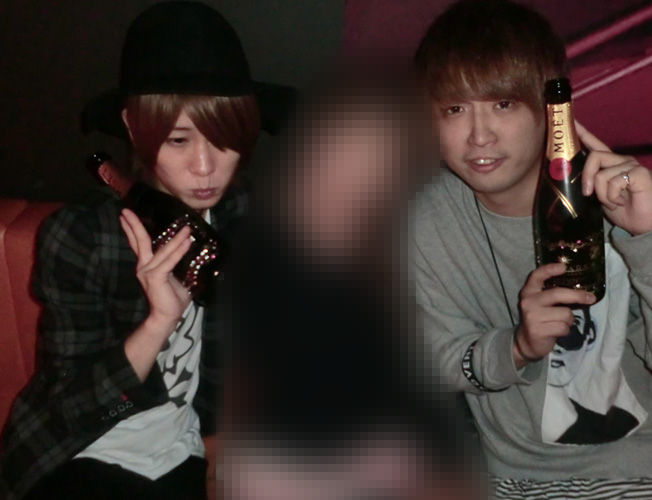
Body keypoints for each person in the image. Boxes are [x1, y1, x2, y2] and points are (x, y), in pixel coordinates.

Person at [0, 2, 292, 499]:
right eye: (179, 140)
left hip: (181, 449)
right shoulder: (83, 237)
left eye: (223, 140)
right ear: (135, 129)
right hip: (84, 449)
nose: (205, 167)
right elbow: (71, 410)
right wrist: (159, 321)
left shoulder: (244, 218)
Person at [411, 0, 652, 498]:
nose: (479, 135)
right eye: (455, 109)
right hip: (512, 477)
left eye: (503, 104)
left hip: (645, 467)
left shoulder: (622, 197)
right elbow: (433, 356)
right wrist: (516, 347)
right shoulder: (428, 216)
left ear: (550, 110)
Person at [216, 70, 482, 500]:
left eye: (376, 154)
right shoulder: (254, 243)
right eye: (343, 149)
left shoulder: (407, 243)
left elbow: (425, 380)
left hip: (387, 447)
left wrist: (441, 465)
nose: (355, 169)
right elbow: (234, 380)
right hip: (284, 457)